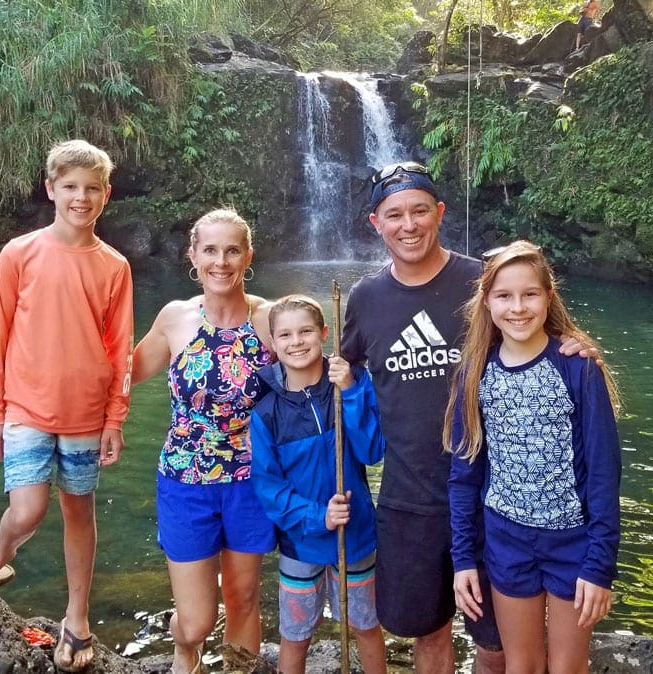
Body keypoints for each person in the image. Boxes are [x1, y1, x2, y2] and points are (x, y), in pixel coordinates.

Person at [341, 162, 598, 673]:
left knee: (496, 641)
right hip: (409, 497)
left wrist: (578, 345)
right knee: (428, 632)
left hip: (492, 497)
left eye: (419, 211)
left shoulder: (482, 282)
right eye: (394, 215)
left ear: (439, 212)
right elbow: (337, 380)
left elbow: (546, 329)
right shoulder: (365, 299)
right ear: (376, 223)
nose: (408, 225)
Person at [0, 139, 134, 673]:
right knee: (27, 510)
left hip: (87, 414)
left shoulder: (115, 265)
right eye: (70, 186)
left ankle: (77, 616)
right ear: (50, 189)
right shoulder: (19, 253)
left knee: (79, 511)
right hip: (25, 408)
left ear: (106, 194)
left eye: (91, 188)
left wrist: (114, 418)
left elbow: (119, 348)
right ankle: (1, 554)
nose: (81, 197)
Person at [446, 240, 622, 673]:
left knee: (567, 667)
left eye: (530, 294)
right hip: (507, 542)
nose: (518, 307)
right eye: (504, 296)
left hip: (574, 543)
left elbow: (603, 473)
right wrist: (464, 558)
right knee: (520, 664)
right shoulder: (475, 374)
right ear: (486, 302)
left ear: (548, 297)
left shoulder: (578, 368)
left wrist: (600, 565)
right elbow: (463, 474)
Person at [131, 208, 277, 674]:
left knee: (243, 598)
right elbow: (123, 375)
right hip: (184, 481)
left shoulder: (270, 319)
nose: (221, 261)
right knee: (195, 622)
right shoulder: (175, 318)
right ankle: (185, 648)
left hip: (251, 482)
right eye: (210, 250)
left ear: (248, 256)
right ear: (192, 256)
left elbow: (311, 376)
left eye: (232, 250)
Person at [250, 294, 387, 674]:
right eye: (285, 335)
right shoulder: (266, 412)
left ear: (325, 333)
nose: (297, 342)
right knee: (295, 634)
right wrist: (316, 515)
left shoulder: (351, 384)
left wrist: (353, 392)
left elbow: (372, 449)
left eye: (306, 331)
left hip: (356, 535)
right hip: (301, 540)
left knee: (365, 624)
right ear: (273, 344)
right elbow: (268, 487)